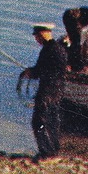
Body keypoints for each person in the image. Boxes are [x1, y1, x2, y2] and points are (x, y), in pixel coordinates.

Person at [20, 22, 67, 161]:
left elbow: (43, 70)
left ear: (42, 35)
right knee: (52, 121)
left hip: (48, 90)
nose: (37, 40)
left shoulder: (50, 50)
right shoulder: (58, 48)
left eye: (37, 37)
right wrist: (33, 72)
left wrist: (31, 72)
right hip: (57, 90)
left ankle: (46, 152)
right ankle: (53, 150)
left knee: (39, 121)